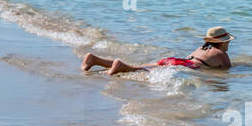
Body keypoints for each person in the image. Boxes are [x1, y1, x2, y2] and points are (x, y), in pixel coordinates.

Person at [82, 27, 234, 75]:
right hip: (186, 66)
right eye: (227, 41)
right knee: (141, 70)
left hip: (178, 60)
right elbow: (228, 71)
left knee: (144, 66)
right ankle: (119, 66)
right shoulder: (222, 55)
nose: (228, 44)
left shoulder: (202, 47)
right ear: (221, 42)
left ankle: (95, 59)